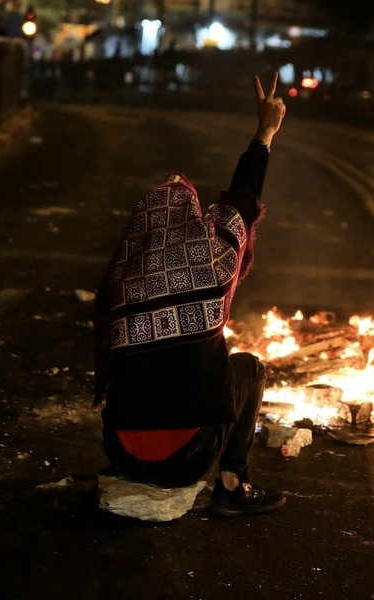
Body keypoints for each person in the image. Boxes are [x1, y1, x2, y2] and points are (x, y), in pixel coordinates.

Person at [93, 73, 287, 517]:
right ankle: (232, 483)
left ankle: (135, 463)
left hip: (122, 452)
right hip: (186, 459)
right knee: (249, 369)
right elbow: (242, 199)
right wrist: (265, 132)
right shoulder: (212, 261)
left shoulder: (125, 278)